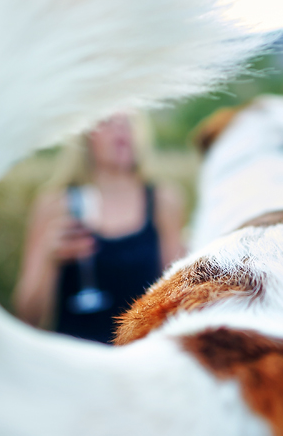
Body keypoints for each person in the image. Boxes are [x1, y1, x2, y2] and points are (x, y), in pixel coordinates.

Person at [13, 113, 186, 343]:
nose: (121, 129)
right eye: (107, 121)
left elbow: (179, 299)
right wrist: (48, 258)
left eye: (128, 121)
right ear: (84, 136)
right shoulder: (55, 205)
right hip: (75, 357)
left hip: (138, 358)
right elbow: (28, 317)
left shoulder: (164, 200)